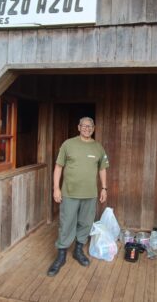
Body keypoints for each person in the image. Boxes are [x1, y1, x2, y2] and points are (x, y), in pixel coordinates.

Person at [47, 117, 109, 277]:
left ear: (94, 128)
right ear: (78, 127)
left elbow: (102, 169)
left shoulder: (98, 148)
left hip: (90, 194)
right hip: (69, 192)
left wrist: (103, 188)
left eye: (90, 126)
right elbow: (58, 167)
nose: (87, 128)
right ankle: (61, 256)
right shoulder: (68, 144)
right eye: (84, 125)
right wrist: (56, 188)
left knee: (86, 222)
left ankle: (78, 250)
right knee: (66, 222)